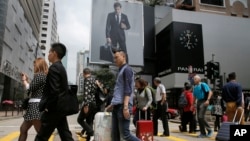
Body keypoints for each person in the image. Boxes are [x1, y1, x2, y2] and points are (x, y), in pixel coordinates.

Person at [35, 43, 74, 141]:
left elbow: (54, 91)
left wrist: (48, 107)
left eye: (49, 52)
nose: (48, 55)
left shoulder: (54, 68)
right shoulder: (61, 68)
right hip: (60, 108)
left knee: (41, 137)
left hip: (54, 109)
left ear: (55, 53)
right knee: (65, 135)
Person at [105, 50, 140, 141]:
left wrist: (125, 107)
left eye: (116, 57)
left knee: (126, 135)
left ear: (123, 57)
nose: (114, 60)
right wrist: (112, 105)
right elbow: (119, 91)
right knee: (115, 135)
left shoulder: (127, 69)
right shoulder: (120, 70)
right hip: (117, 106)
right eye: (114, 58)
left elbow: (128, 90)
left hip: (123, 106)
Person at [18, 58, 48, 141]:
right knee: (23, 129)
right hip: (33, 107)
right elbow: (34, 88)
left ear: (39, 65)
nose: (34, 67)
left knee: (40, 133)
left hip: (35, 107)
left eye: (35, 65)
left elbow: (30, 88)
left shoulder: (40, 75)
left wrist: (24, 80)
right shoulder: (42, 76)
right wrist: (27, 80)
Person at [77, 68, 97, 141]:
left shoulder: (87, 80)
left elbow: (86, 93)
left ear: (84, 73)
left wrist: (86, 105)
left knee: (80, 119)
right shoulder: (93, 80)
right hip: (94, 103)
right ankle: (89, 138)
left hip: (89, 103)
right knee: (89, 121)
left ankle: (91, 132)